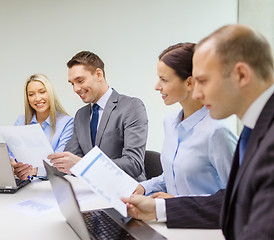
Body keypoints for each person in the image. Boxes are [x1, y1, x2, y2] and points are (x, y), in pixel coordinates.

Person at [122, 24, 274, 239]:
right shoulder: (257, 128)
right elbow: (231, 200)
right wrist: (160, 208)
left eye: (203, 81)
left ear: (241, 75)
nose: (198, 93)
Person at [134, 43, 237, 198]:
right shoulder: (170, 122)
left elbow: (237, 196)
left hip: (203, 222)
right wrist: (143, 187)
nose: (157, 86)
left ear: (190, 83)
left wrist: (175, 203)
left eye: (164, 80)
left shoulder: (217, 131)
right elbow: (174, 176)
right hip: (169, 219)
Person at [48, 51, 148, 181]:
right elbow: (70, 158)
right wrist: (34, 170)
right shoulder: (81, 115)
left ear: (99, 74)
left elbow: (133, 164)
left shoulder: (131, 106)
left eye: (80, 80)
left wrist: (82, 164)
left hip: (128, 192)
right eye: (72, 83)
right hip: (91, 190)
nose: (76, 89)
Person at [11, 73, 74, 180]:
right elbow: (10, 153)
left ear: (50, 93)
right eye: (31, 94)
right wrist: (12, 165)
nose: (37, 98)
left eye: (42, 92)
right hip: (23, 183)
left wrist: (35, 171)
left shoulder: (67, 123)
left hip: (50, 184)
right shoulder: (20, 121)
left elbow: (60, 164)